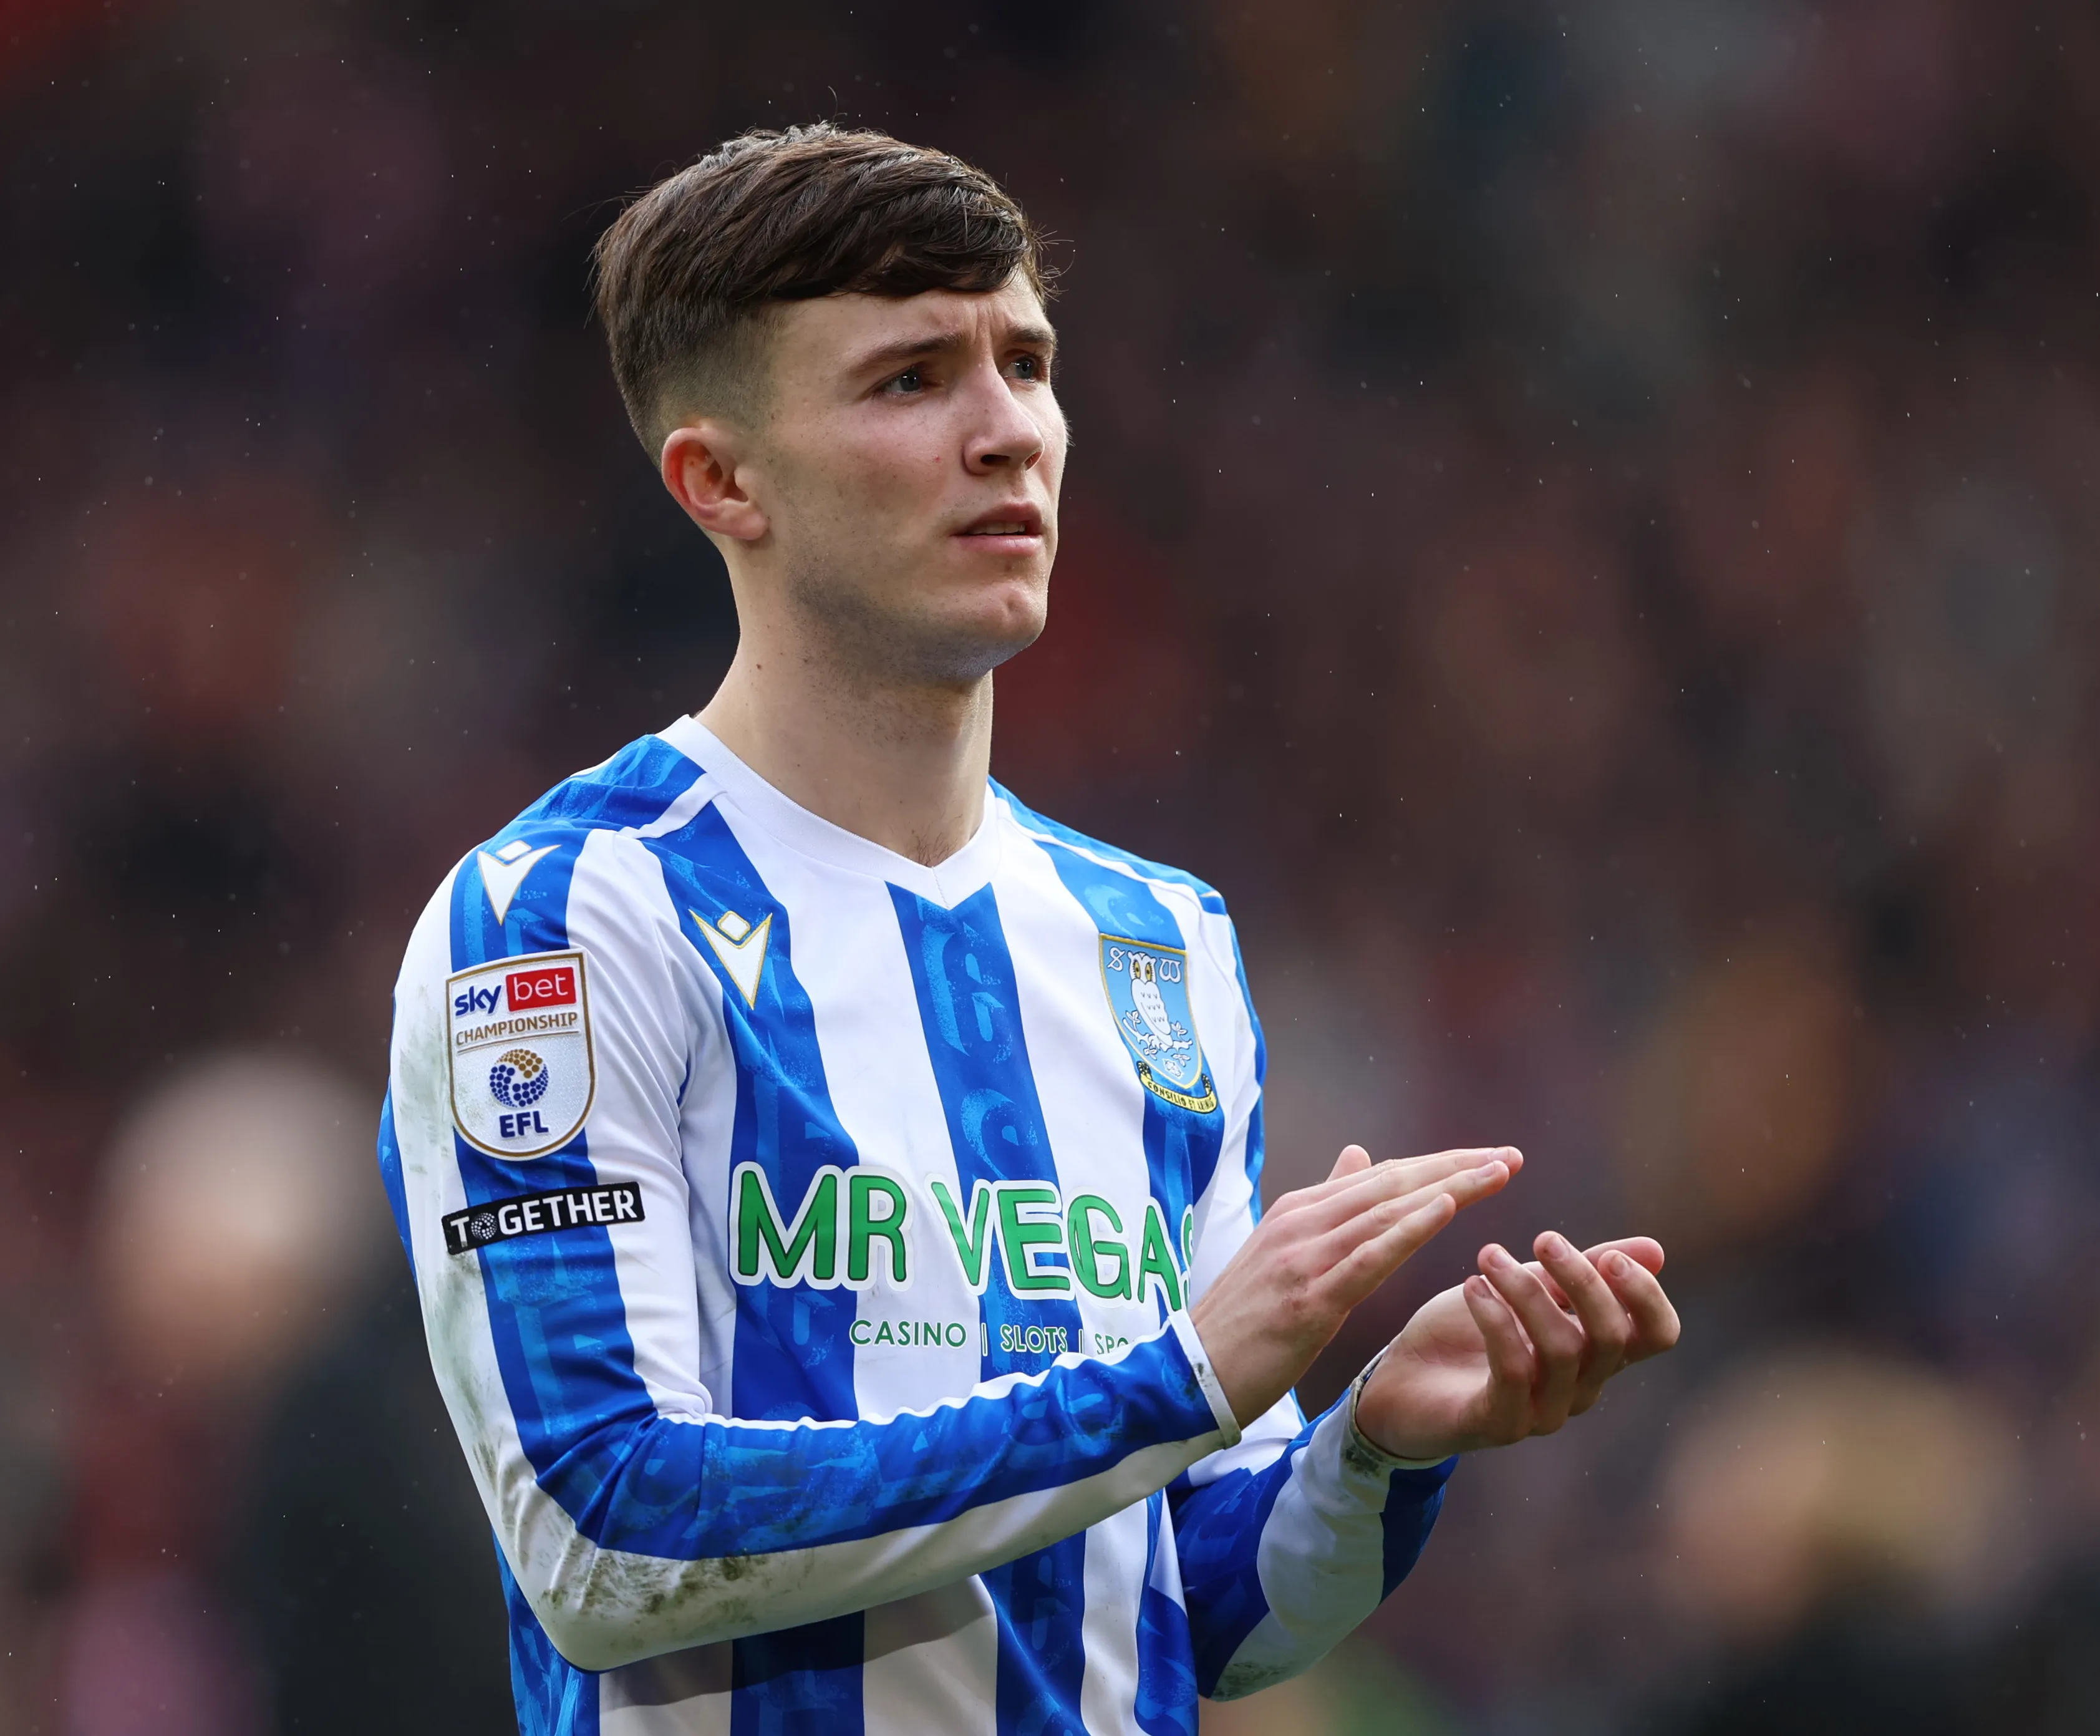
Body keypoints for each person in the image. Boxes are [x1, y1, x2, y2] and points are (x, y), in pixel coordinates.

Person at [377, 124, 1681, 1734]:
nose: (1010, 433)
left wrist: (1372, 1451)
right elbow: (604, 1537)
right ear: (722, 482)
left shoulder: (1158, 941)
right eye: (911, 380)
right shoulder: (566, 918)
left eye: (1027, 362)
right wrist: (1180, 1385)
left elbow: (1179, 1611)